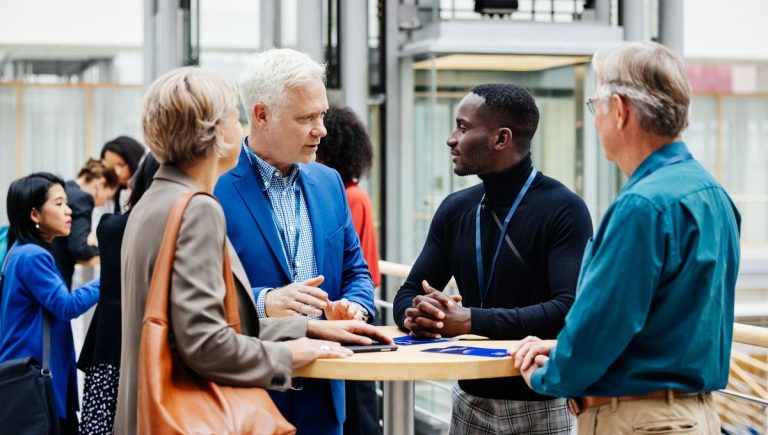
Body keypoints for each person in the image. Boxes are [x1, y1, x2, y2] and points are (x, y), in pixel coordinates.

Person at [115, 66, 390, 435]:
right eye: (233, 117)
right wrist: (292, 351)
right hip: (211, 409)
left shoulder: (155, 200)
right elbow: (205, 341)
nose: (239, 126)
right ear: (213, 131)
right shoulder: (198, 206)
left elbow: (190, 323)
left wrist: (307, 327)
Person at [511, 42, 741, 434]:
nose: (592, 120)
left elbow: (605, 321)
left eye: (595, 105)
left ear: (620, 110)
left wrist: (548, 376)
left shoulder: (642, 205)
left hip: (639, 420)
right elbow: (666, 323)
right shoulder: (712, 195)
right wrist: (565, 349)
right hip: (695, 415)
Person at [392, 83, 593, 434]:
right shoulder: (455, 210)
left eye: (464, 127)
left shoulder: (565, 209)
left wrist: (469, 320)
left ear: (501, 138)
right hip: (470, 402)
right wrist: (421, 316)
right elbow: (406, 294)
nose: (451, 138)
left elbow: (567, 310)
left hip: (542, 403)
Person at [215, 48, 377, 435]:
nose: (321, 129)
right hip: (249, 399)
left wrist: (353, 307)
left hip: (325, 396)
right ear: (261, 115)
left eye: (321, 114)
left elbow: (357, 271)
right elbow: (199, 300)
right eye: (306, 118)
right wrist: (264, 302)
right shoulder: (215, 189)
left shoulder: (329, 183)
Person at [0, 172, 99, 434]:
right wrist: (111, 278)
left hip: (26, 379)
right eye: (59, 204)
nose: (68, 211)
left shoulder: (18, 252)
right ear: (34, 214)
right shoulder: (33, 256)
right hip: (33, 383)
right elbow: (65, 305)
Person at [77, 153, 160, 435]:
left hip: (107, 344)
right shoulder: (168, 230)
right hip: (147, 346)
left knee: (98, 425)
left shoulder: (110, 226)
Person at [317, 106, 382, 434]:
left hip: (350, 311)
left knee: (358, 410)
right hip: (349, 310)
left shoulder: (347, 197)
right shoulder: (355, 194)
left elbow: (346, 265)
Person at [50, 158, 119, 289]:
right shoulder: (83, 199)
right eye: (108, 196)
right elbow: (79, 248)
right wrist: (101, 250)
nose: (105, 203)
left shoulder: (65, 188)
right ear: (102, 183)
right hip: (57, 276)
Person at [99, 135, 146, 214]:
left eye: (121, 165)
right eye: (111, 167)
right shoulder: (106, 195)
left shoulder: (147, 193)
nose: (117, 172)